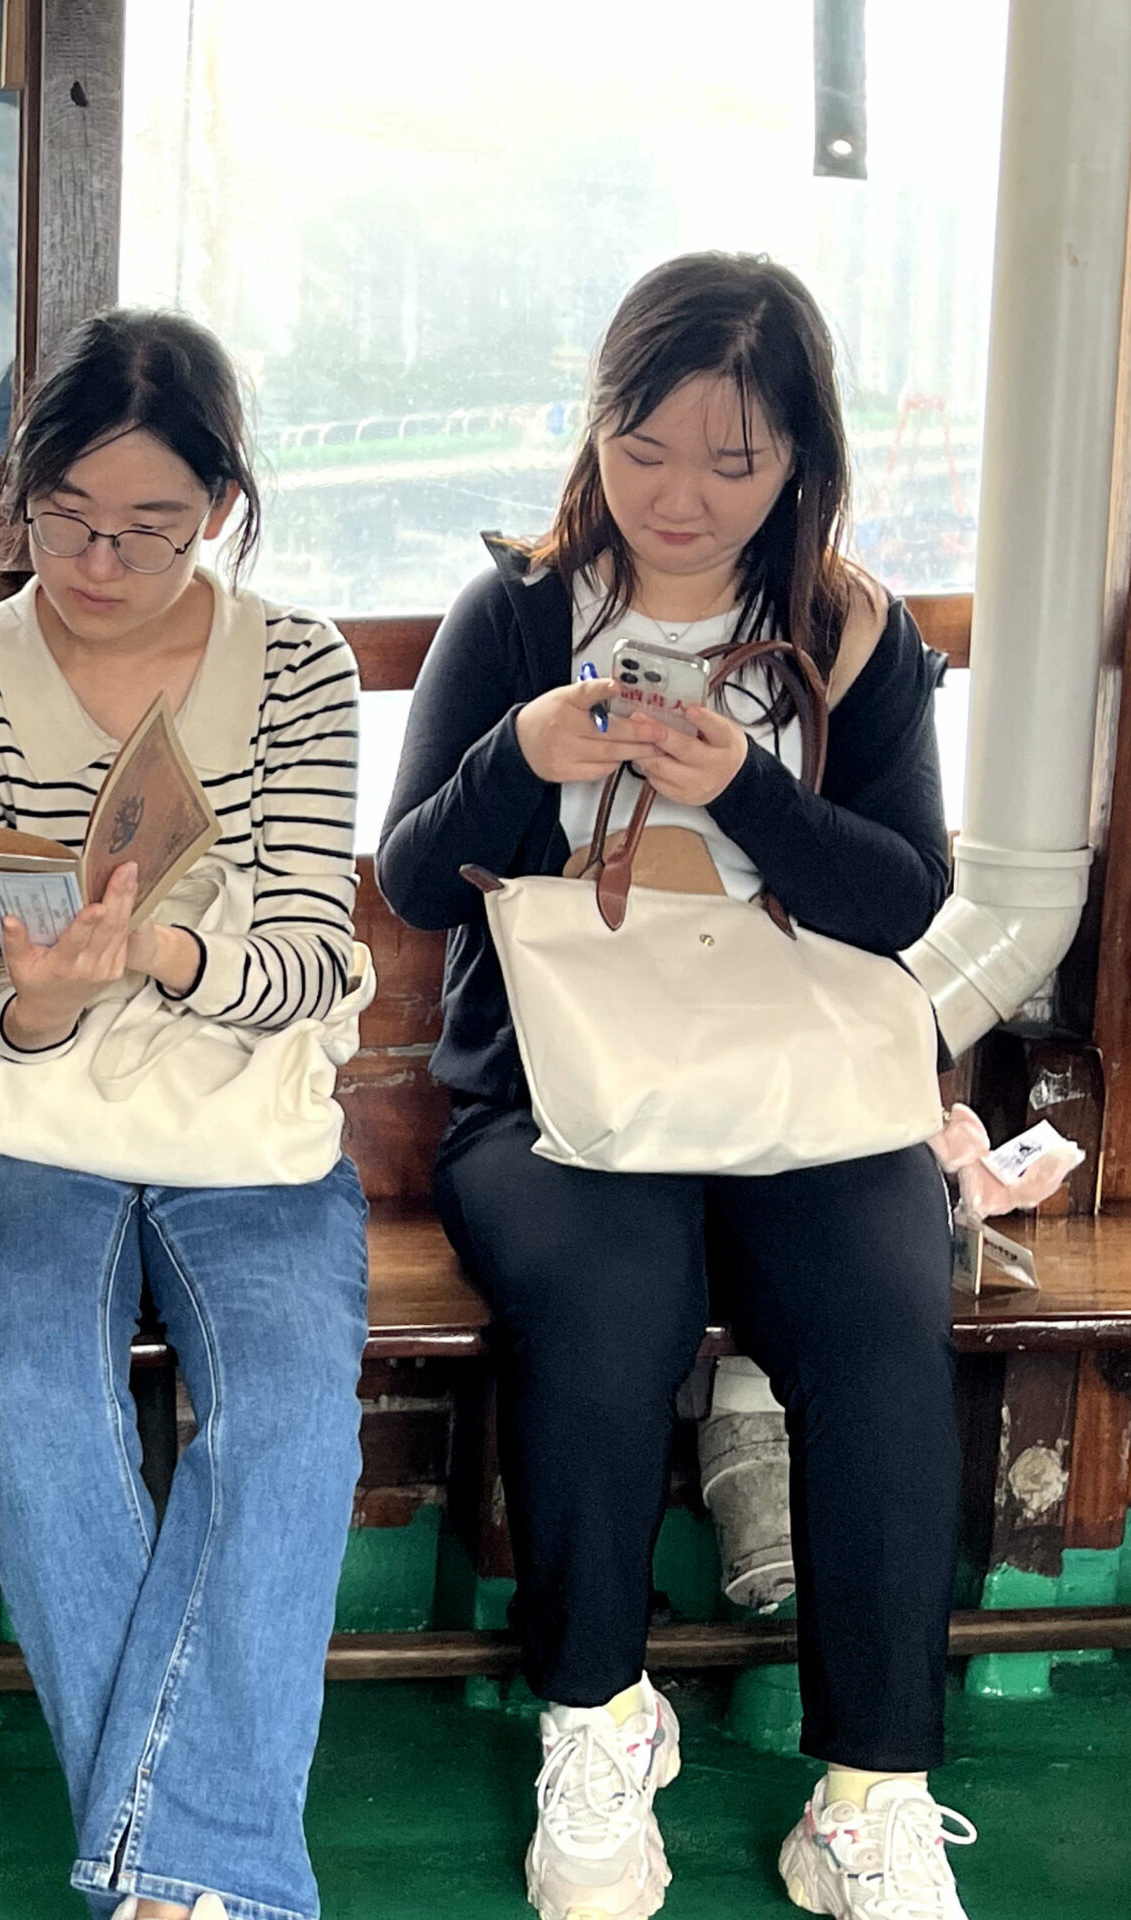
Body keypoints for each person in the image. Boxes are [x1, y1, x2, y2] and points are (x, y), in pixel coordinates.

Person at [376, 253, 971, 1920]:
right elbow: (418, 883)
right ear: (598, 429)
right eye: (648, 451)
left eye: (735, 460)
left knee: (878, 1301)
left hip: (797, 1090)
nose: (683, 497)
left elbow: (905, 900)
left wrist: (747, 800)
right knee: (609, 1306)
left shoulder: (856, 634)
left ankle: (872, 1793)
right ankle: (596, 1721)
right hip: (560, 1098)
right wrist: (523, 758)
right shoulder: (515, 614)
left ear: (801, 460)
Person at [0, 309, 368, 1920]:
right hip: (29, 1115)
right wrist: (45, 990)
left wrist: (158, 950)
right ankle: (207, 1877)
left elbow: (310, 962)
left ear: (222, 508)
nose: (102, 561)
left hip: (254, 1124)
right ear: (21, 495)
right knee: (31, 1410)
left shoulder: (295, 664)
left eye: (153, 528)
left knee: (290, 1421)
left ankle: (163, 1874)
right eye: (68, 520)